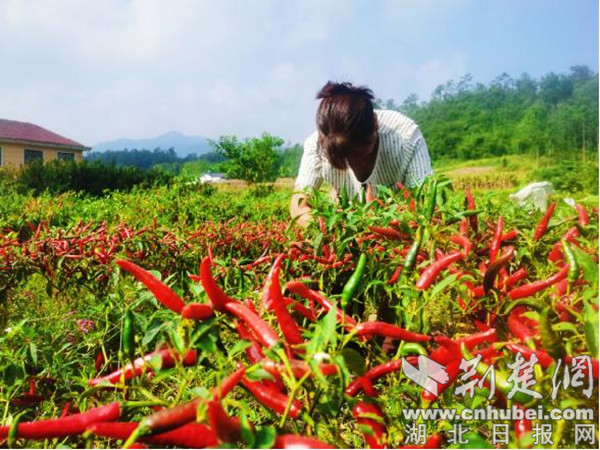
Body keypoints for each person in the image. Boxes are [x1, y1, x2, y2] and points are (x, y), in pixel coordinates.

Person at [290, 81, 433, 226]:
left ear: (376, 123)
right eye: (345, 155)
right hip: (348, 218)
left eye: (361, 151)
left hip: (398, 218)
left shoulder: (406, 136)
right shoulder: (316, 146)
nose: (356, 161)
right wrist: (327, 226)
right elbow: (298, 207)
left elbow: (426, 204)